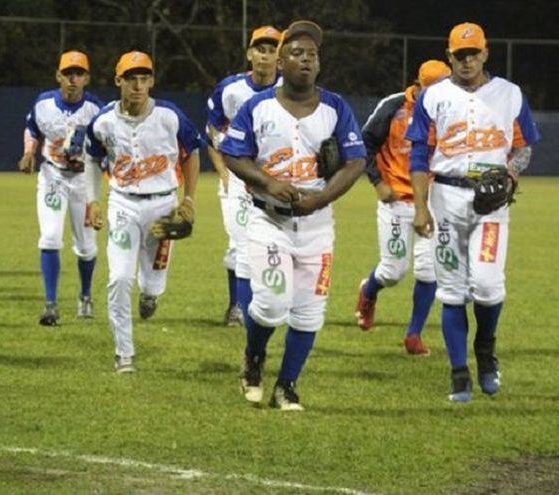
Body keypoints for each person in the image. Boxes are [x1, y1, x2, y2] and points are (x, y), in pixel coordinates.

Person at [220, 21, 366, 410]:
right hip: (269, 220)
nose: (306, 59)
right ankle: (254, 357)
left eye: (312, 54)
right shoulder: (257, 106)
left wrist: (321, 199)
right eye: (297, 53)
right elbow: (233, 154)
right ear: (281, 62)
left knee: (308, 314)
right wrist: (268, 182)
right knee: (270, 304)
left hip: (317, 225)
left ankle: (286, 386)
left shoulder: (336, 108)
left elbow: (356, 161)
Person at [406, 22, 540, 402]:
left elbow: (523, 147)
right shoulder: (432, 96)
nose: (467, 61)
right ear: (449, 56)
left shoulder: (509, 94)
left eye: (473, 53)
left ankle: (485, 350)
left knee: (486, 284)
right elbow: (419, 154)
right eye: (460, 54)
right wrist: (420, 207)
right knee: (451, 290)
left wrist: (510, 175)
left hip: (491, 203)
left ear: (485, 53)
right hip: (446, 198)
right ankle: (459, 372)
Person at [84, 50, 201, 373]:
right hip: (123, 204)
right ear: (118, 81)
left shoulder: (168, 115)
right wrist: (93, 200)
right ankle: (124, 353)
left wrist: (189, 200)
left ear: (151, 81)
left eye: (144, 78)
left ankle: (150, 294)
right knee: (120, 277)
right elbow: (92, 158)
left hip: (164, 206)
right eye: (131, 79)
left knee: (152, 283)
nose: (138, 85)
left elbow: (192, 152)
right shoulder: (103, 121)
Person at [355, 60, 451, 355]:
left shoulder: (451, 109)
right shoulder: (393, 106)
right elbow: (364, 145)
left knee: (429, 270)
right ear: (418, 86)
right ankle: (368, 291)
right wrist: (377, 182)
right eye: (433, 89)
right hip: (395, 200)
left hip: (433, 201)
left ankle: (413, 335)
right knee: (393, 271)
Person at [19, 50, 103, 325]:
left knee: (87, 247)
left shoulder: (96, 110)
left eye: (78, 74)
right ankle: (50, 304)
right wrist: (29, 152)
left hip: (83, 182)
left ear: (86, 78)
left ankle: (85, 296)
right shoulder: (44, 103)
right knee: (50, 237)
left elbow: (106, 146)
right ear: (58, 76)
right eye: (68, 73)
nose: (72, 79)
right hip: (52, 176)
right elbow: (32, 128)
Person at [206, 25, 282, 326]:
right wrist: (223, 172)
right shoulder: (230, 89)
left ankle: (270, 303)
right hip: (238, 176)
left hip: (275, 178)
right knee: (240, 243)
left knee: (276, 243)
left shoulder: (290, 88)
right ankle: (239, 307)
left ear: (280, 57)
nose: (265, 56)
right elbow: (213, 131)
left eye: (272, 50)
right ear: (250, 53)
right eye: (260, 49)